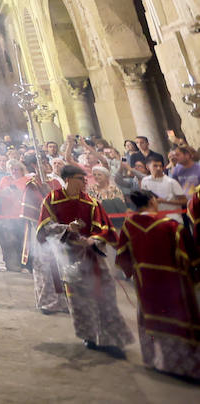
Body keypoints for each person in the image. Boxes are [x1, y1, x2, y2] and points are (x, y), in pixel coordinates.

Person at [37, 163, 132, 357]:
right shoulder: (52, 199)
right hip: (67, 257)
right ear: (69, 179)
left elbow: (104, 227)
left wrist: (93, 239)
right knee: (80, 300)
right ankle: (89, 336)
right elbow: (44, 228)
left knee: (105, 294)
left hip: (92, 255)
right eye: (81, 178)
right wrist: (66, 228)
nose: (85, 181)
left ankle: (110, 338)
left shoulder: (91, 202)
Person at [114, 189, 200, 380]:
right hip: (175, 286)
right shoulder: (172, 227)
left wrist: (133, 272)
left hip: (146, 286)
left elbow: (123, 258)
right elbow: (190, 259)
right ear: (153, 201)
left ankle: (156, 361)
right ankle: (184, 368)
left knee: (151, 320)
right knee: (179, 321)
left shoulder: (130, 225)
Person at [138, 157, 186, 222]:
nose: (158, 168)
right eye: (155, 166)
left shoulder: (171, 182)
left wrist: (165, 201)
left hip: (173, 217)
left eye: (160, 166)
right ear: (147, 167)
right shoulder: (144, 181)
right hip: (154, 218)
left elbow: (184, 201)